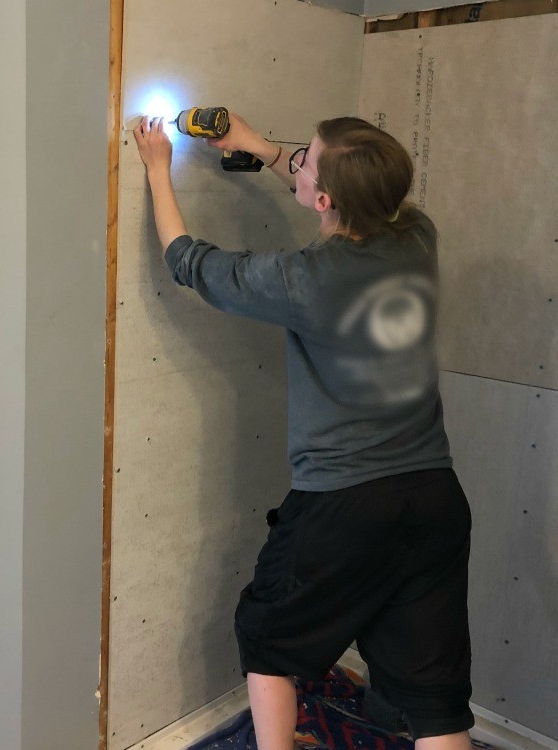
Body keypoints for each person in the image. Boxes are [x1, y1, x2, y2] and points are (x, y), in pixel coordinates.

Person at [134, 112, 475, 750]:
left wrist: (159, 167)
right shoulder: (417, 236)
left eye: (308, 159)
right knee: (433, 695)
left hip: (345, 504)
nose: (299, 157)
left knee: (268, 639)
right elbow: (326, 177)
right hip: (434, 496)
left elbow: (189, 261)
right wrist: (251, 142)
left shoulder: (301, 280)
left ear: (322, 200)